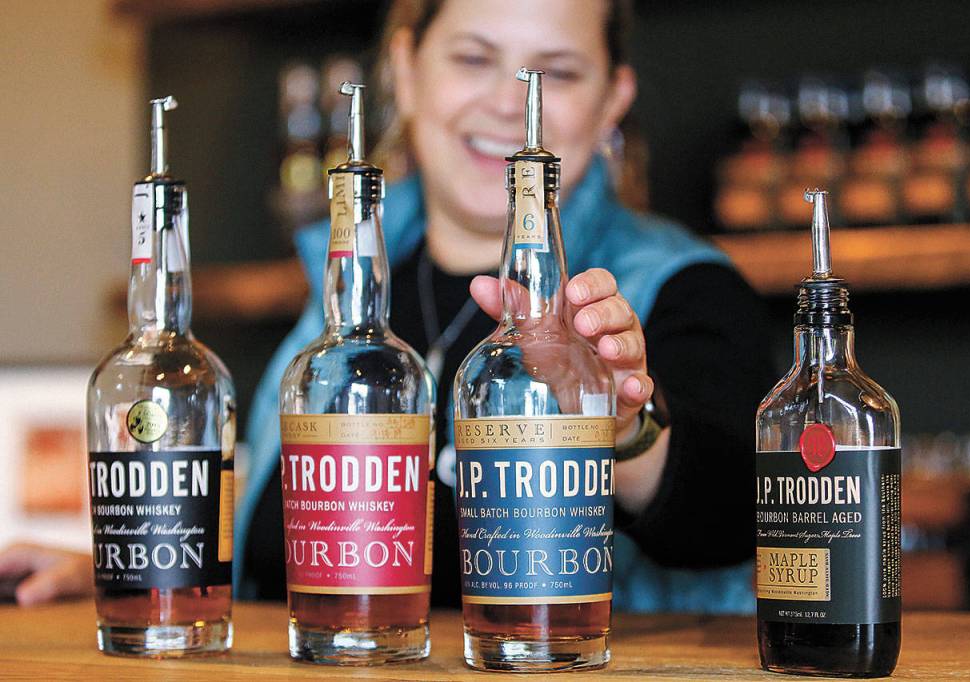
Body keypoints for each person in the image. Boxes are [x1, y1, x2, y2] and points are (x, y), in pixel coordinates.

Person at [0, 0, 774, 612]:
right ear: (405, 67)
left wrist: (627, 430)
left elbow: (739, 504)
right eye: (474, 58)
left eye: (558, 72)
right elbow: (290, 542)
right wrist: (169, 571)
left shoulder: (682, 285)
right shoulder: (338, 298)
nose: (512, 103)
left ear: (615, 101)